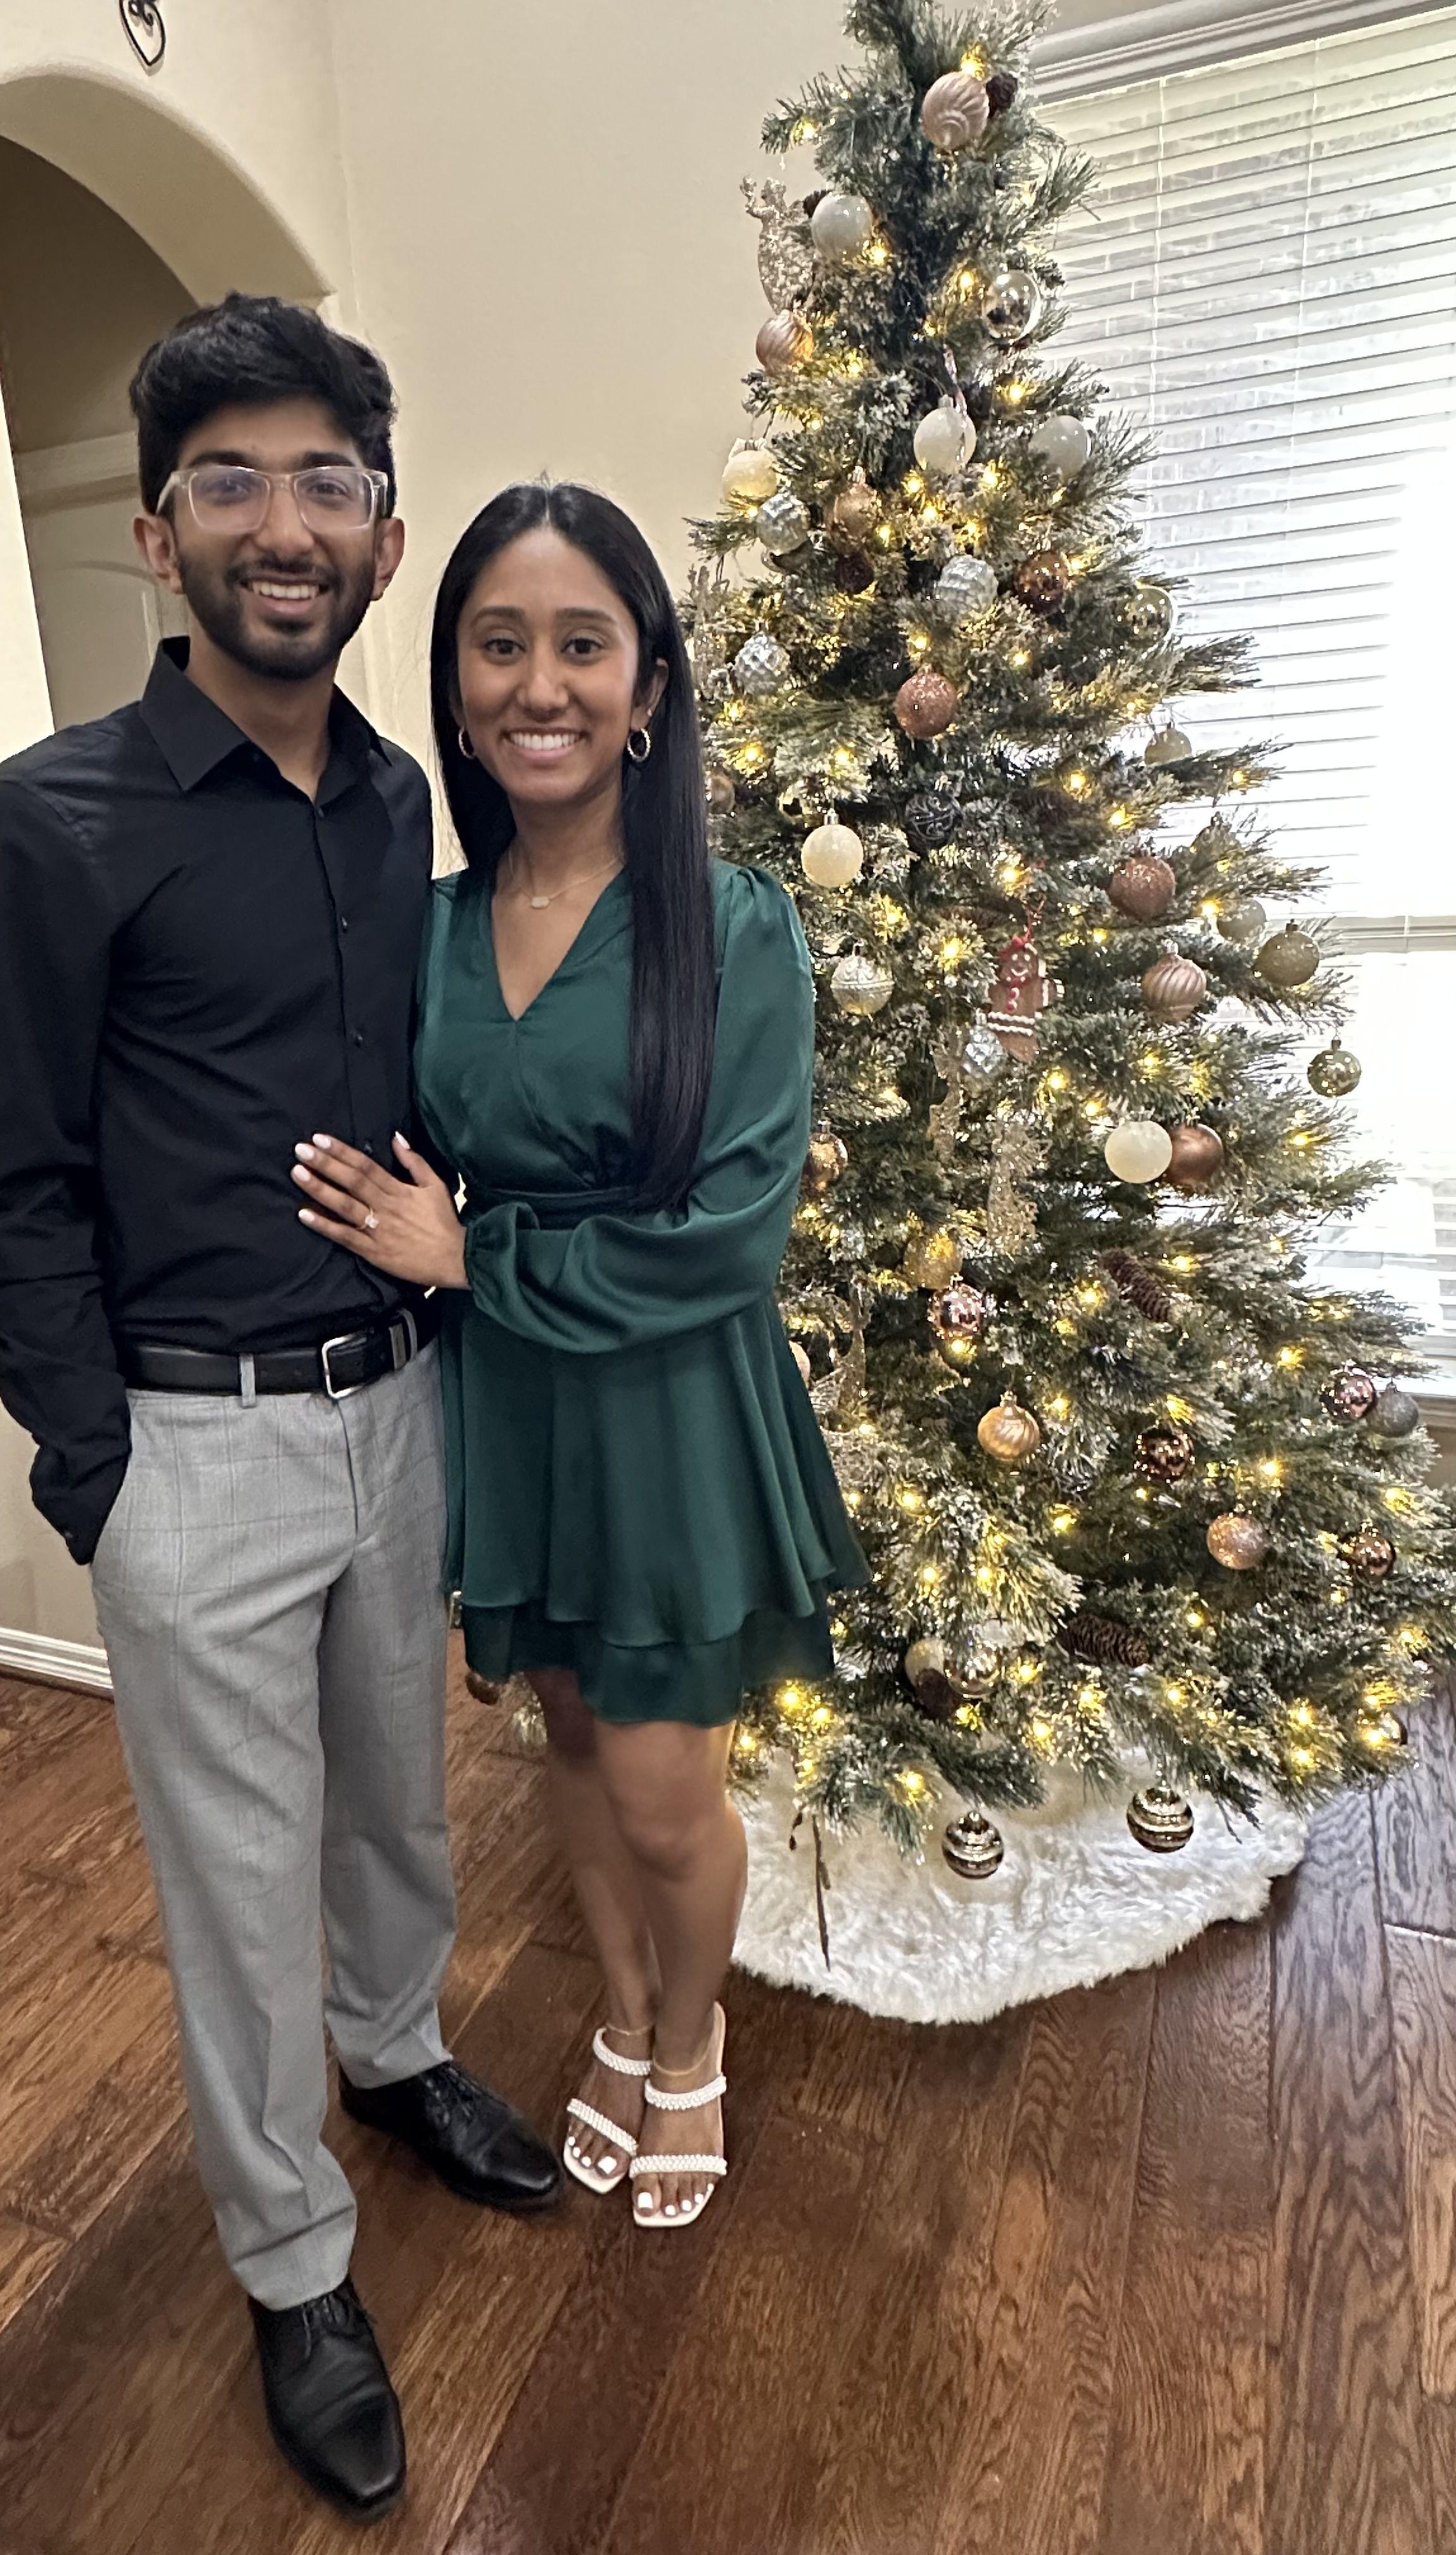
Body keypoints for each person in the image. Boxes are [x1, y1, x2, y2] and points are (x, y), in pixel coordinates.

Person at [0, 295, 556, 2526]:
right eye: (231, 482)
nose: (281, 526)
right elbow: (14, 1181)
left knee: (399, 1808)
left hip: (400, 1407)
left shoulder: (401, 802)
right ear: (155, 533)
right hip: (187, 1444)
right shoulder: (51, 823)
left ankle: (396, 2058)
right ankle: (292, 2261)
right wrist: (93, 1472)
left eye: (325, 484)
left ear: (384, 538)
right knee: (232, 1880)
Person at [290, 482, 869, 2236]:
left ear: (647, 686)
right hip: (518, 1409)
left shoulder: (736, 924)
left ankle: (693, 2043)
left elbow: (734, 1232)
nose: (538, 684)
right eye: (499, 645)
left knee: (666, 1791)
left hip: (673, 1409)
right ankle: (621, 2018)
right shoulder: (435, 929)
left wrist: (477, 1255)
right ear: (458, 687)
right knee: (568, 1747)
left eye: (581, 644)